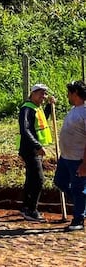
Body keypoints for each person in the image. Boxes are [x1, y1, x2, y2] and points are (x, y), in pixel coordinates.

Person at [18, 83, 56, 222]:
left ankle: (26, 207)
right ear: (33, 94)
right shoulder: (27, 109)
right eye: (41, 94)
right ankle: (31, 210)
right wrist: (37, 145)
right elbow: (25, 130)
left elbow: (42, 121)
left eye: (45, 94)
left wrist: (49, 107)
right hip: (30, 149)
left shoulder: (36, 108)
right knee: (39, 179)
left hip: (34, 149)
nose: (43, 97)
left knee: (31, 179)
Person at [54, 80, 86, 231]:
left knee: (79, 190)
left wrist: (84, 164)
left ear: (75, 94)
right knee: (60, 182)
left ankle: (79, 219)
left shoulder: (85, 112)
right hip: (65, 157)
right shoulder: (74, 109)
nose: (67, 95)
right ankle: (82, 207)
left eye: (69, 92)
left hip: (78, 159)